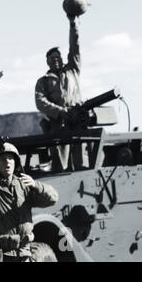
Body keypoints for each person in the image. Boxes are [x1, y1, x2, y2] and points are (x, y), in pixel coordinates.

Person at [35, 14, 88, 172]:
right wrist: (60, 112)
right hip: (58, 126)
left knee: (81, 164)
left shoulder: (72, 69)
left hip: (78, 122)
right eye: (52, 59)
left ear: (62, 59)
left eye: (57, 57)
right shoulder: (43, 81)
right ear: (47, 62)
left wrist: (73, 25)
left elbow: (75, 46)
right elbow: (40, 102)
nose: (55, 60)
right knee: (60, 167)